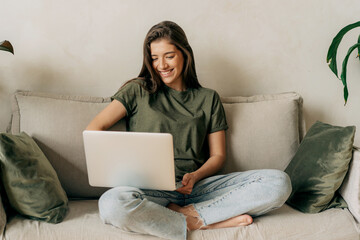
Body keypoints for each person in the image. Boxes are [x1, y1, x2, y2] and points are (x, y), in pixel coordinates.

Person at [86, 20, 292, 240]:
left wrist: (195, 176)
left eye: (169, 56)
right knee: (111, 204)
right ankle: (203, 222)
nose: (161, 65)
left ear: (185, 54)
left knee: (279, 182)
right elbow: (94, 129)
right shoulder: (137, 90)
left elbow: (218, 156)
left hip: (200, 188)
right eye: (154, 58)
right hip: (151, 191)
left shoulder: (208, 98)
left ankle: (189, 216)